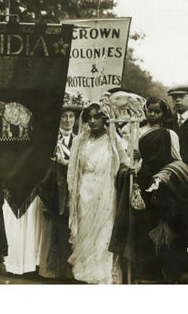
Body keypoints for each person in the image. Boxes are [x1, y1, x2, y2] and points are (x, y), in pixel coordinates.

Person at [132, 97, 188, 283]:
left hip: (162, 188)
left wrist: (163, 177)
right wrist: (137, 157)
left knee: (164, 230)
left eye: (157, 111)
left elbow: (177, 161)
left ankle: (167, 273)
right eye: (149, 110)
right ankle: (147, 272)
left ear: (163, 114)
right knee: (143, 227)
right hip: (142, 185)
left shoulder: (169, 134)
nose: (152, 114)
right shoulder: (138, 131)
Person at [66, 103, 129, 284]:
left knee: (104, 232)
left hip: (106, 192)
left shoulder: (113, 140)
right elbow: (72, 170)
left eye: (97, 117)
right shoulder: (80, 141)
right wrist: (73, 192)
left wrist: (134, 160)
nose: (93, 121)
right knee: (85, 233)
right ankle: (86, 274)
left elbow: (125, 164)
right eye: (89, 118)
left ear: (105, 119)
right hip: (84, 193)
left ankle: (103, 274)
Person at [37, 104, 80, 279]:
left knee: (70, 230)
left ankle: (69, 272)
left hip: (73, 190)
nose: (68, 120)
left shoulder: (79, 140)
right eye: (64, 116)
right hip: (52, 189)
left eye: (71, 116)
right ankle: (50, 271)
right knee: (52, 229)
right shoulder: (50, 141)